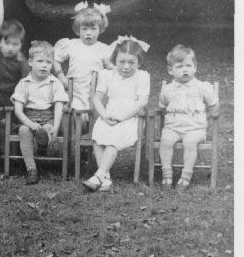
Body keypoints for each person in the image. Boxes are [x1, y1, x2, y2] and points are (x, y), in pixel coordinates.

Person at [82, 37, 150, 192]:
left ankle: (99, 175)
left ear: (139, 63)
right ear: (114, 60)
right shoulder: (107, 75)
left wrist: (123, 117)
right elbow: (96, 99)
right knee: (98, 138)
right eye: (122, 62)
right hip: (109, 115)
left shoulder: (142, 76)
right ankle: (105, 179)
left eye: (131, 62)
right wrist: (104, 115)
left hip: (131, 118)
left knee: (113, 140)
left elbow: (143, 101)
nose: (126, 67)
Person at [158, 45, 219, 190]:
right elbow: (162, 106)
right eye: (179, 66)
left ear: (195, 67)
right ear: (170, 70)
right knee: (165, 141)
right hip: (173, 128)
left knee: (190, 142)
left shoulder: (202, 87)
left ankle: (186, 176)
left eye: (188, 65)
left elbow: (214, 106)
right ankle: (167, 174)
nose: (185, 70)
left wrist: (205, 120)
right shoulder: (168, 89)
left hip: (195, 129)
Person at [11, 41, 68, 185]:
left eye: (48, 62)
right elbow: (18, 110)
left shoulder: (55, 83)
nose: (44, 65)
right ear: (30, 62)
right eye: (40, 61)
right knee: (24, 130)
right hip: (28, 118)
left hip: (49, 117)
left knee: (47, 128)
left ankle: (43, 140)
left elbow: (58, 108)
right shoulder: (24, 83)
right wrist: (30, 124)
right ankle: (32, 169)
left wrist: (56, 127)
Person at [53, 1, 113, 111]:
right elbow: (56, 59)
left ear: (100, 29)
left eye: (93, 29)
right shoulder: (72, 44)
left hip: (95, 90)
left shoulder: (102, 48)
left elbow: (110, 68)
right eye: (84, 29)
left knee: (96, 112)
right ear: (78, 30)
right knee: (74, 111)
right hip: (74, 89)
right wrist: (60, 75)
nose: (88, 33)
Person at [0, 19, 30, 107]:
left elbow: (27, 79)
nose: (10, 48)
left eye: (15, 44)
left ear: (21, 45)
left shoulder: (21, 61)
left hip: (15, 96)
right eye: (7, 43)